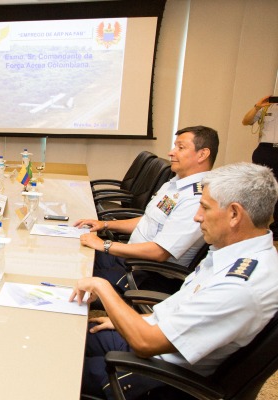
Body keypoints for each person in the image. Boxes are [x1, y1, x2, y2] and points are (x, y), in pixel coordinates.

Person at [73, 162, 278, 399]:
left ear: (234, 214)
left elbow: (145, 343)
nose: (197, 217)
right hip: (155, 341)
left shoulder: (240, 286)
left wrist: (103, 287)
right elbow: (183, 310)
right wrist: (133, 318)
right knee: (64, 332)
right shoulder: (236, 253)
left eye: (205, 208)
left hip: (152, 374)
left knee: (49, 360)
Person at [75, 126, 219, 294]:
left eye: (180, 147)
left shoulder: (195, 199)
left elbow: (159, 253)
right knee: (73, 254)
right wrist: (104, 224)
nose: (171, 152)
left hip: (144, 275)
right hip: (127, 258)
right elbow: (148, 220)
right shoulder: (176, 185)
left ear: (202, 154)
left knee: (71, 278)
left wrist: (105, 244)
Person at [242, 95, 278, 240]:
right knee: (260, 188)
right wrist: (258, 105)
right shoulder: (266, 107)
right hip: (265, 149)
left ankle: (276, 229)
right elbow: (246, 121)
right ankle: (254, 225)